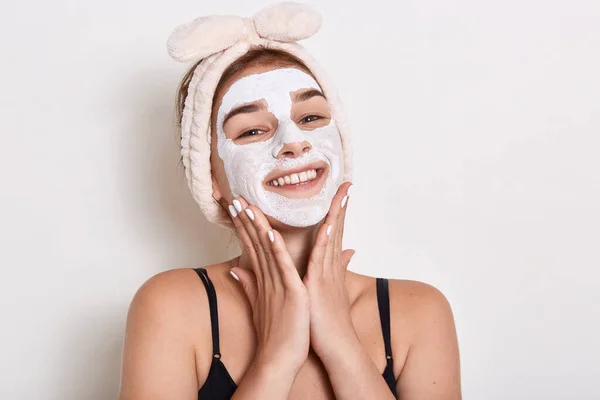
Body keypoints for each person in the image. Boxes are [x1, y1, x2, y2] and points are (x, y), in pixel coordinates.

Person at [119, 3, 461, 399]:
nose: (292, 142)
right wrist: (278, 355)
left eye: (311, 118)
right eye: (251, 131)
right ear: (209, 176)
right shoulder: (171, 307)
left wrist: (340, 343)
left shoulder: (417, 312)